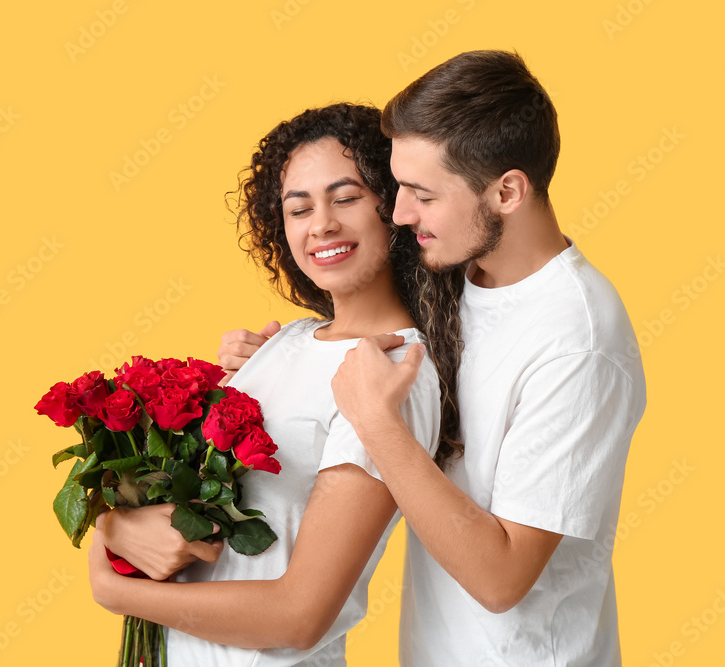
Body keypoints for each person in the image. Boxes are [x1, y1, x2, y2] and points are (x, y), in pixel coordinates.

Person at [222, 51, 647, 666]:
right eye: (398, 188)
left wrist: (376, 424)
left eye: (422, 194)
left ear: (507, 191)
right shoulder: (460, 274)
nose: (399, 215)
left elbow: (502, 579)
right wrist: (281, 368)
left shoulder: (577, 341)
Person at [87, 103, 465, 666]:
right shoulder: (286, 342)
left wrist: (112, 587)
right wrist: (113, 522)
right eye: (298, 208)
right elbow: (179, 499)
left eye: (346, 197)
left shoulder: (392, 374)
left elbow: (300, 615)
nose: (321, 225)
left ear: (394, 207)